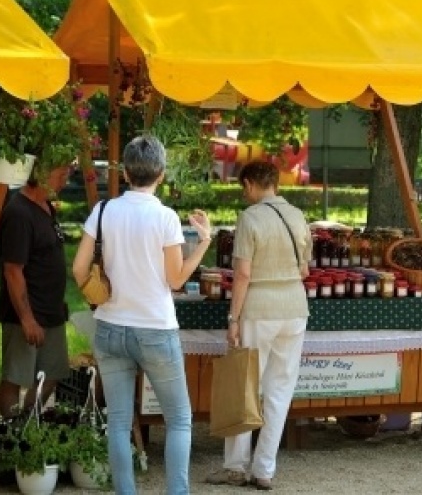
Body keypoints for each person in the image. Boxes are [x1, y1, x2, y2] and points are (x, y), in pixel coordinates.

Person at [73, 135, 209, 495]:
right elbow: (177, 279)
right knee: (179, 420)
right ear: (160, 174)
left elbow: (78, 268)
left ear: (125, 172)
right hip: (155, 329)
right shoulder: (165, 217)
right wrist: (204, 244)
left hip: (110, 325)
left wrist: (99, 292)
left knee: (118, 421)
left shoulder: (102, 211)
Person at [207, 160, 311, 491]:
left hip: (259, 309)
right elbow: (305, 271)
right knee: (280, 390)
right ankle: (264, 468)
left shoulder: (250, 218)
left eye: (243, 187)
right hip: (294, 308)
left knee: (245, 386)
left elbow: (243, 274)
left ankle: (236, 465)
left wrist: (232, 318)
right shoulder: (297, 215)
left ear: (251, 184)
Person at [0, 159, 74, 417]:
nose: (66, 181)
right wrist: (27, 319)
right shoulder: (18, 212)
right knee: (15, 375)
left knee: (53, 372)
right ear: (41, 173)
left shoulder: (46, 206)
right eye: (62, 174)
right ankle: (10, 433)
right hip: (25, 313)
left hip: (51, 311)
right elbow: (13, 270)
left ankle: (30, 423)